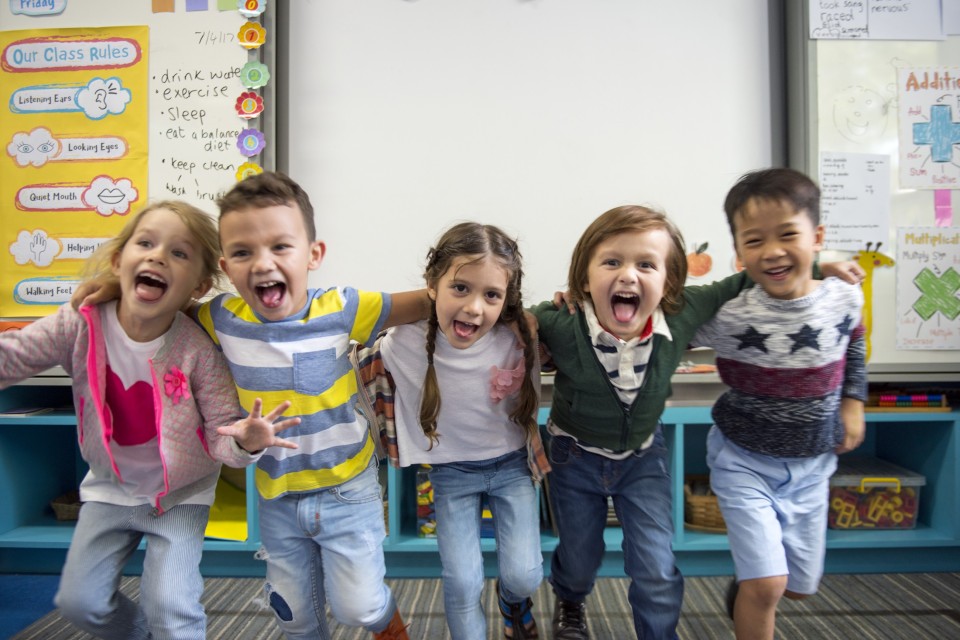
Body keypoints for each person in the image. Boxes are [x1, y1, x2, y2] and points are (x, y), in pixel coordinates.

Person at [530, 204, 864, 640]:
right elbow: (515, 321)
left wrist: (819, 263)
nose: (629, 275)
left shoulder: (684, 311)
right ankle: (570, 600)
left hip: (643, 458)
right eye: (611, 262)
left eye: (646, 264)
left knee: (654, 565)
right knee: (579, 555)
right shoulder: (562, 320)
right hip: (573, 455)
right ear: (584, 277)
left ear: (669, 281)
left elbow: (750, 276)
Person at [0, 200, 299, 640]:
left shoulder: (197, 351)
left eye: (179, 253)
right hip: (109, 490)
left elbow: (223, 439)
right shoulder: (80, 324)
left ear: (198, 286)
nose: (158, 256)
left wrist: (246, 441)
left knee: (172, 611)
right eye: (146, 243)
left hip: (180, 496)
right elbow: (14, 358)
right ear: (120, 261)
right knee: (81, 605)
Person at [176, 172, 426, 639]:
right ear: (226, 267)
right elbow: (161, 304)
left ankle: (386, 623)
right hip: (275, 496)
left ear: (313, 255)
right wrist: (109, 291)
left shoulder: (341, 308)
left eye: (280, 247)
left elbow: (428, 302)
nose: (262, 263)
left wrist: (512, 309)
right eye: (244, 252)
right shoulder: (221, 317)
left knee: (359, 607)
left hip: (346, 490)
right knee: (294, 616)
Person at [691, 168, 866, 640]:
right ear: (739, 253)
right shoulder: (729, 315)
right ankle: (757, 588)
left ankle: (750, 589)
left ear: (818, 237)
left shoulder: (845, 296)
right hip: (743, 461)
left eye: (789, 234)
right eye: (754, 240)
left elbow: (854, 342)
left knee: (799, 588)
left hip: (814, 467)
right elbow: (669, 314)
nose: (772, 251)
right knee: (769, 585)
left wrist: (854, 402)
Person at [356, 222, 550, 640]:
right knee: (461, 583)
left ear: (507, 301)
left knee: (525, 574)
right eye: (460, 288)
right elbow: (346, 326)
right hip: (451, 473)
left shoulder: (518, 336)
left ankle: (513, 602)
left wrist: (527, 315)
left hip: (512, 466)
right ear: (432, 285)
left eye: (491, 295)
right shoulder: (403, 341)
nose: (474, 307)